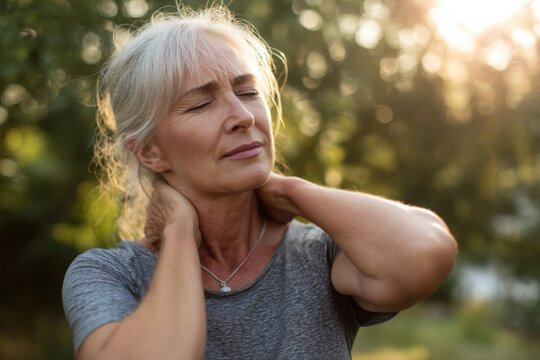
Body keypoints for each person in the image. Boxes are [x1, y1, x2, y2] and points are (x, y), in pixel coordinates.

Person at [62, 5, 457, 360]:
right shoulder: (110, 274)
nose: (243, 115)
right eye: (201, 104)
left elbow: (425, 252)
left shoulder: (320, 254)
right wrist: (179, 231)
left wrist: (290, 191)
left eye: (247, 91)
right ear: (150, 152)